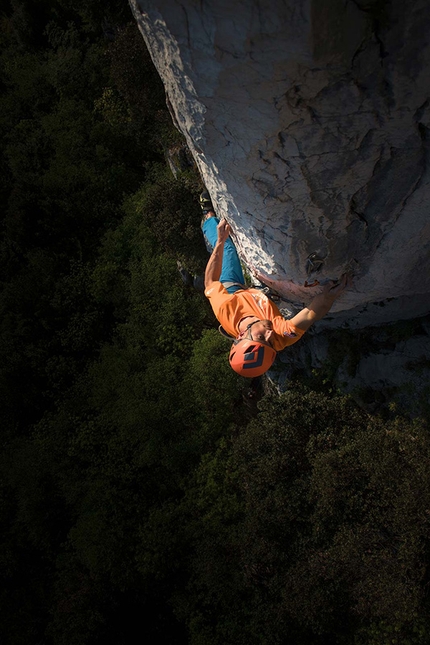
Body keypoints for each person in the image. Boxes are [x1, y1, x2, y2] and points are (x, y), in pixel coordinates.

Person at [200, 192, 351, 378]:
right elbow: (311, 313)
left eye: (262, 338)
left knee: (227, 248)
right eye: (270, 344)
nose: (270, 335)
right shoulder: (280, 338)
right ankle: (261, 295)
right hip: (255, 300)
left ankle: (207, 216)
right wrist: (330, 295)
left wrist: (221, 241)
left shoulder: (225, 308)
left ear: (240, 336)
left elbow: (210, 282)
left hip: (233, 290)